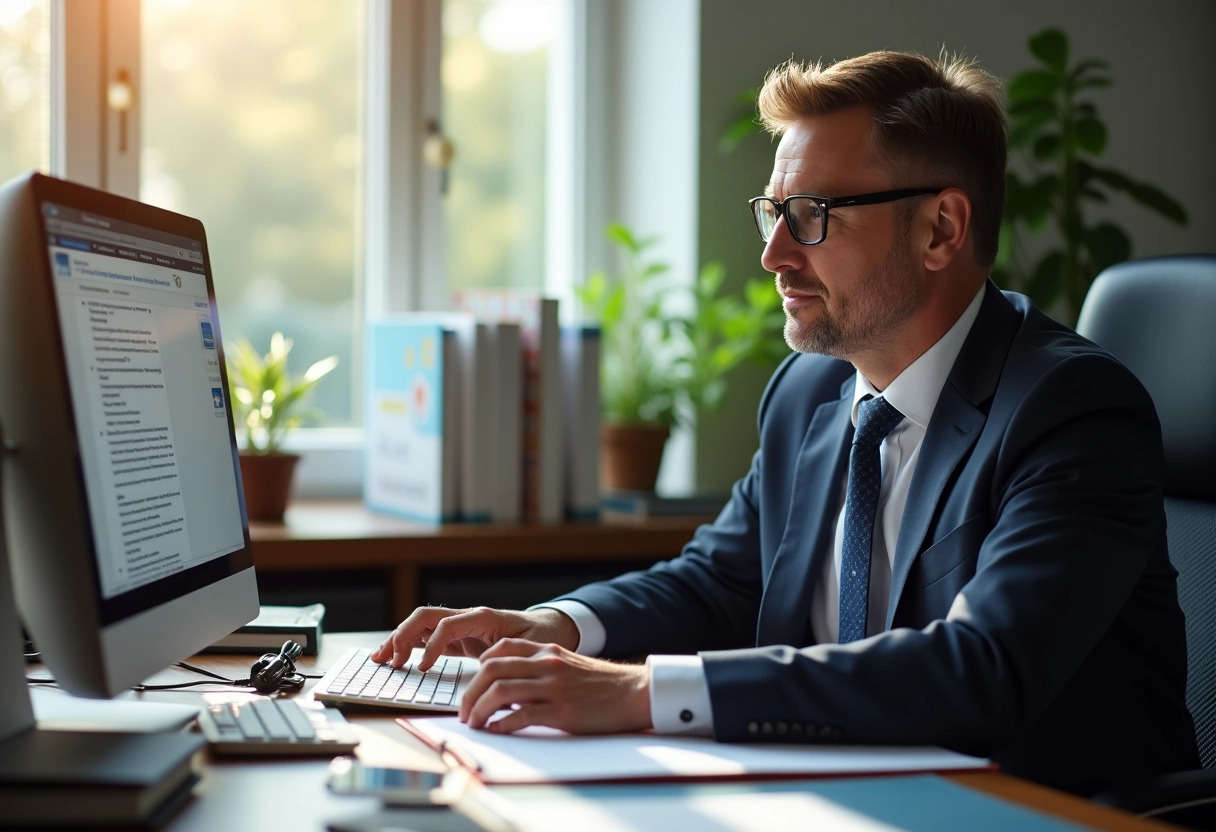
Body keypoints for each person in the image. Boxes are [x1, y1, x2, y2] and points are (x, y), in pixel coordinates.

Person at [371, 50, 1198, 796]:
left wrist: (639, 690)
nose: (774, 256)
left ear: (940, 228)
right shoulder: (808, 390)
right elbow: (722, 581)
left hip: (1042, 810)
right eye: (774, 212)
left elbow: (983, 667)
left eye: (812, 214)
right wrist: (556, 623)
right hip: (833, 792)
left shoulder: (1072, 411)